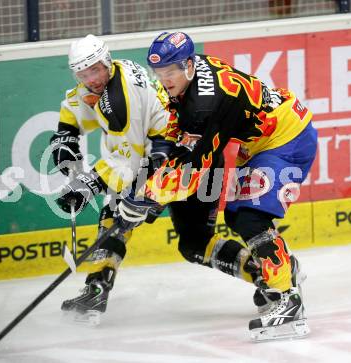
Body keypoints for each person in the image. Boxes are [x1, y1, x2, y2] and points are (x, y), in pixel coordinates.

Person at [114, 31, 317, 341]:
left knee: (251, 217)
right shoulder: (192, 77)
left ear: (188, 66)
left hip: (287, 138)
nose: (165, 79)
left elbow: (195, 170)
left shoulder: (203, 107)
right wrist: (148, 185)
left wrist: (148, 198)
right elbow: (177, 132)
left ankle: (287, 299)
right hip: (264, 139)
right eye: (159, 72)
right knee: (237, 216)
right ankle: (282, 271)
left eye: (170, 71)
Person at [50, 34, 171, 325]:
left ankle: (270, 271)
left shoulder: (119, 101)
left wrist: (87, 185)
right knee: (116, 215)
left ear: (106, 62)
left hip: (171, 154)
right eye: (82, 73)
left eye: (94, 70)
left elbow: (127, 163)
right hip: (154, 150)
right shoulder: (109, 75)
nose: (90, 79)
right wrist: (66, 134)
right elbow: (76, 103)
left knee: (195, 241)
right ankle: (96, 289)